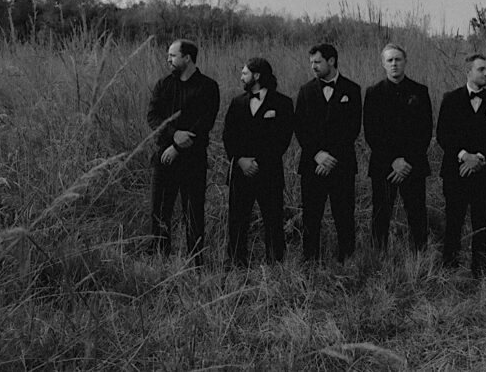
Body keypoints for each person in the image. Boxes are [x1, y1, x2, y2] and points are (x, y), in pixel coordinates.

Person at [146, 39, 220, 267]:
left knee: (193, 211)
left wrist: (177, 146)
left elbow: (205, 122)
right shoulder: (163, 84)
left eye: (172, 55)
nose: (168, 59)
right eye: (168, 55)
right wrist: (174, 133)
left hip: (193, 158)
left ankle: (196, 262)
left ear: (187, 57)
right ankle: (160, 259)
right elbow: (153, 117)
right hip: (164, 157)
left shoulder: (208, 87)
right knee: (159, 210)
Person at [436, 54, 486, 276]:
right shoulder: (450, 99)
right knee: (454, 219)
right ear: (468, 72)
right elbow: (442, 134)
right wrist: (464, 156)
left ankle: (481, 268)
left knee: (481, 221)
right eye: (481, 69)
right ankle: (450, 265)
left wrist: (479, 158)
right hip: (456, 171)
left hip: (484, 171)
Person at [294, 43, 362, 263]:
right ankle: (311, 262)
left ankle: (347, 261)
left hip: (341, 164)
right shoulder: (305, 90)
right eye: (311, 62)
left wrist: (332, 156)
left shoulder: (352, 90)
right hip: (312, 165)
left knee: (344, 216)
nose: (313, 66)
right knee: (311, 217)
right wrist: (317, 155)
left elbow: (353, 128)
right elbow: (300, 127)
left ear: (331, 61)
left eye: (318, 62)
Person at [222, 57, 294, 266]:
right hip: (240, 173)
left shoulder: (283, 103)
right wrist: (240, 161)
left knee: (273, 221)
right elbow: (228, 136)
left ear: (257, 75)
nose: (241, 77)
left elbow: (283, 139)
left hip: (269, 172)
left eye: (244, 73)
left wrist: (258, 162)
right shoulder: (237, 102)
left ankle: (276, 265)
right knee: (237, 221)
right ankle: (236, 264)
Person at [362, 43, 433, 252]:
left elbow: (425, 131)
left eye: (398, 59)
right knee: (381, 214)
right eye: (389, 60)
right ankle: (378, 259)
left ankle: (420, 259)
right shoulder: (373, 93)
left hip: (413, 165)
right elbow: (371, 132)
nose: (394, 64)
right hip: (384, 165)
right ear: (383, 64)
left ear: (405, 62)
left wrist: (407, 161)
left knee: (417, 214)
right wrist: (393, 160)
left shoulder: (420, 91)